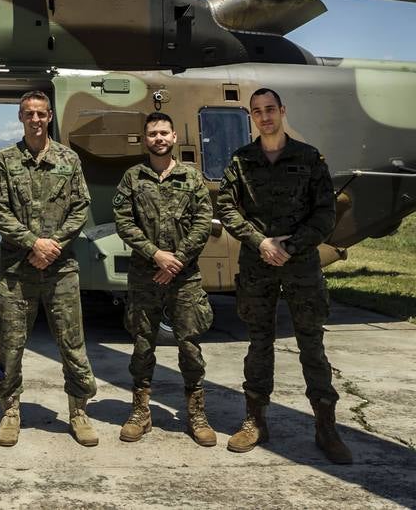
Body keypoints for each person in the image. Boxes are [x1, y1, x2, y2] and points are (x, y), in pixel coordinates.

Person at [215, 87, 352, 464]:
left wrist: (289, 247)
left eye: (270, 109)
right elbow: (226, 208)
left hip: (301, 264)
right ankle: (255, 421)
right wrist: (261, 243)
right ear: (251, 117)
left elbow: (325, 214)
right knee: (259, 343)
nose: (265, 116)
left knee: (312, 343)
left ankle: (326, 427)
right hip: (257, 264)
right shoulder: (241, 160)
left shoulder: (309, 158)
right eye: (257, 111)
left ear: (282, 111)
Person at [0, 90, 98, 447]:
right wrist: (33, 243)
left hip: (61, 268)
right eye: (28, 114)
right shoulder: (6, 160)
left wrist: (53, 246)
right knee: (11, 344)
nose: (35, 119)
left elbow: (81, 207)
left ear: (49, 117)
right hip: (18, 269)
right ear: (20, 118)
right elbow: (0, 210)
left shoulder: (69, 159)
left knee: (72, 341)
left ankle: (78, 410)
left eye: (40, 113)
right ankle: (10, 409)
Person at [112, 111, 217, 446]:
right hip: (145, 275)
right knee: (142, 345)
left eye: (164, 133)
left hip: (184, 278)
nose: (158, 138)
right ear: (146, 140)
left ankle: (196, 413)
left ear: (174, 138)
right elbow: (123, 221)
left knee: (189, 345)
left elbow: (204, 221)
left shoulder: (191, 177)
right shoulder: (132, 178)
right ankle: (141, 412)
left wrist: (177, 260)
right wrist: (155, 255)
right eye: (152, 134)